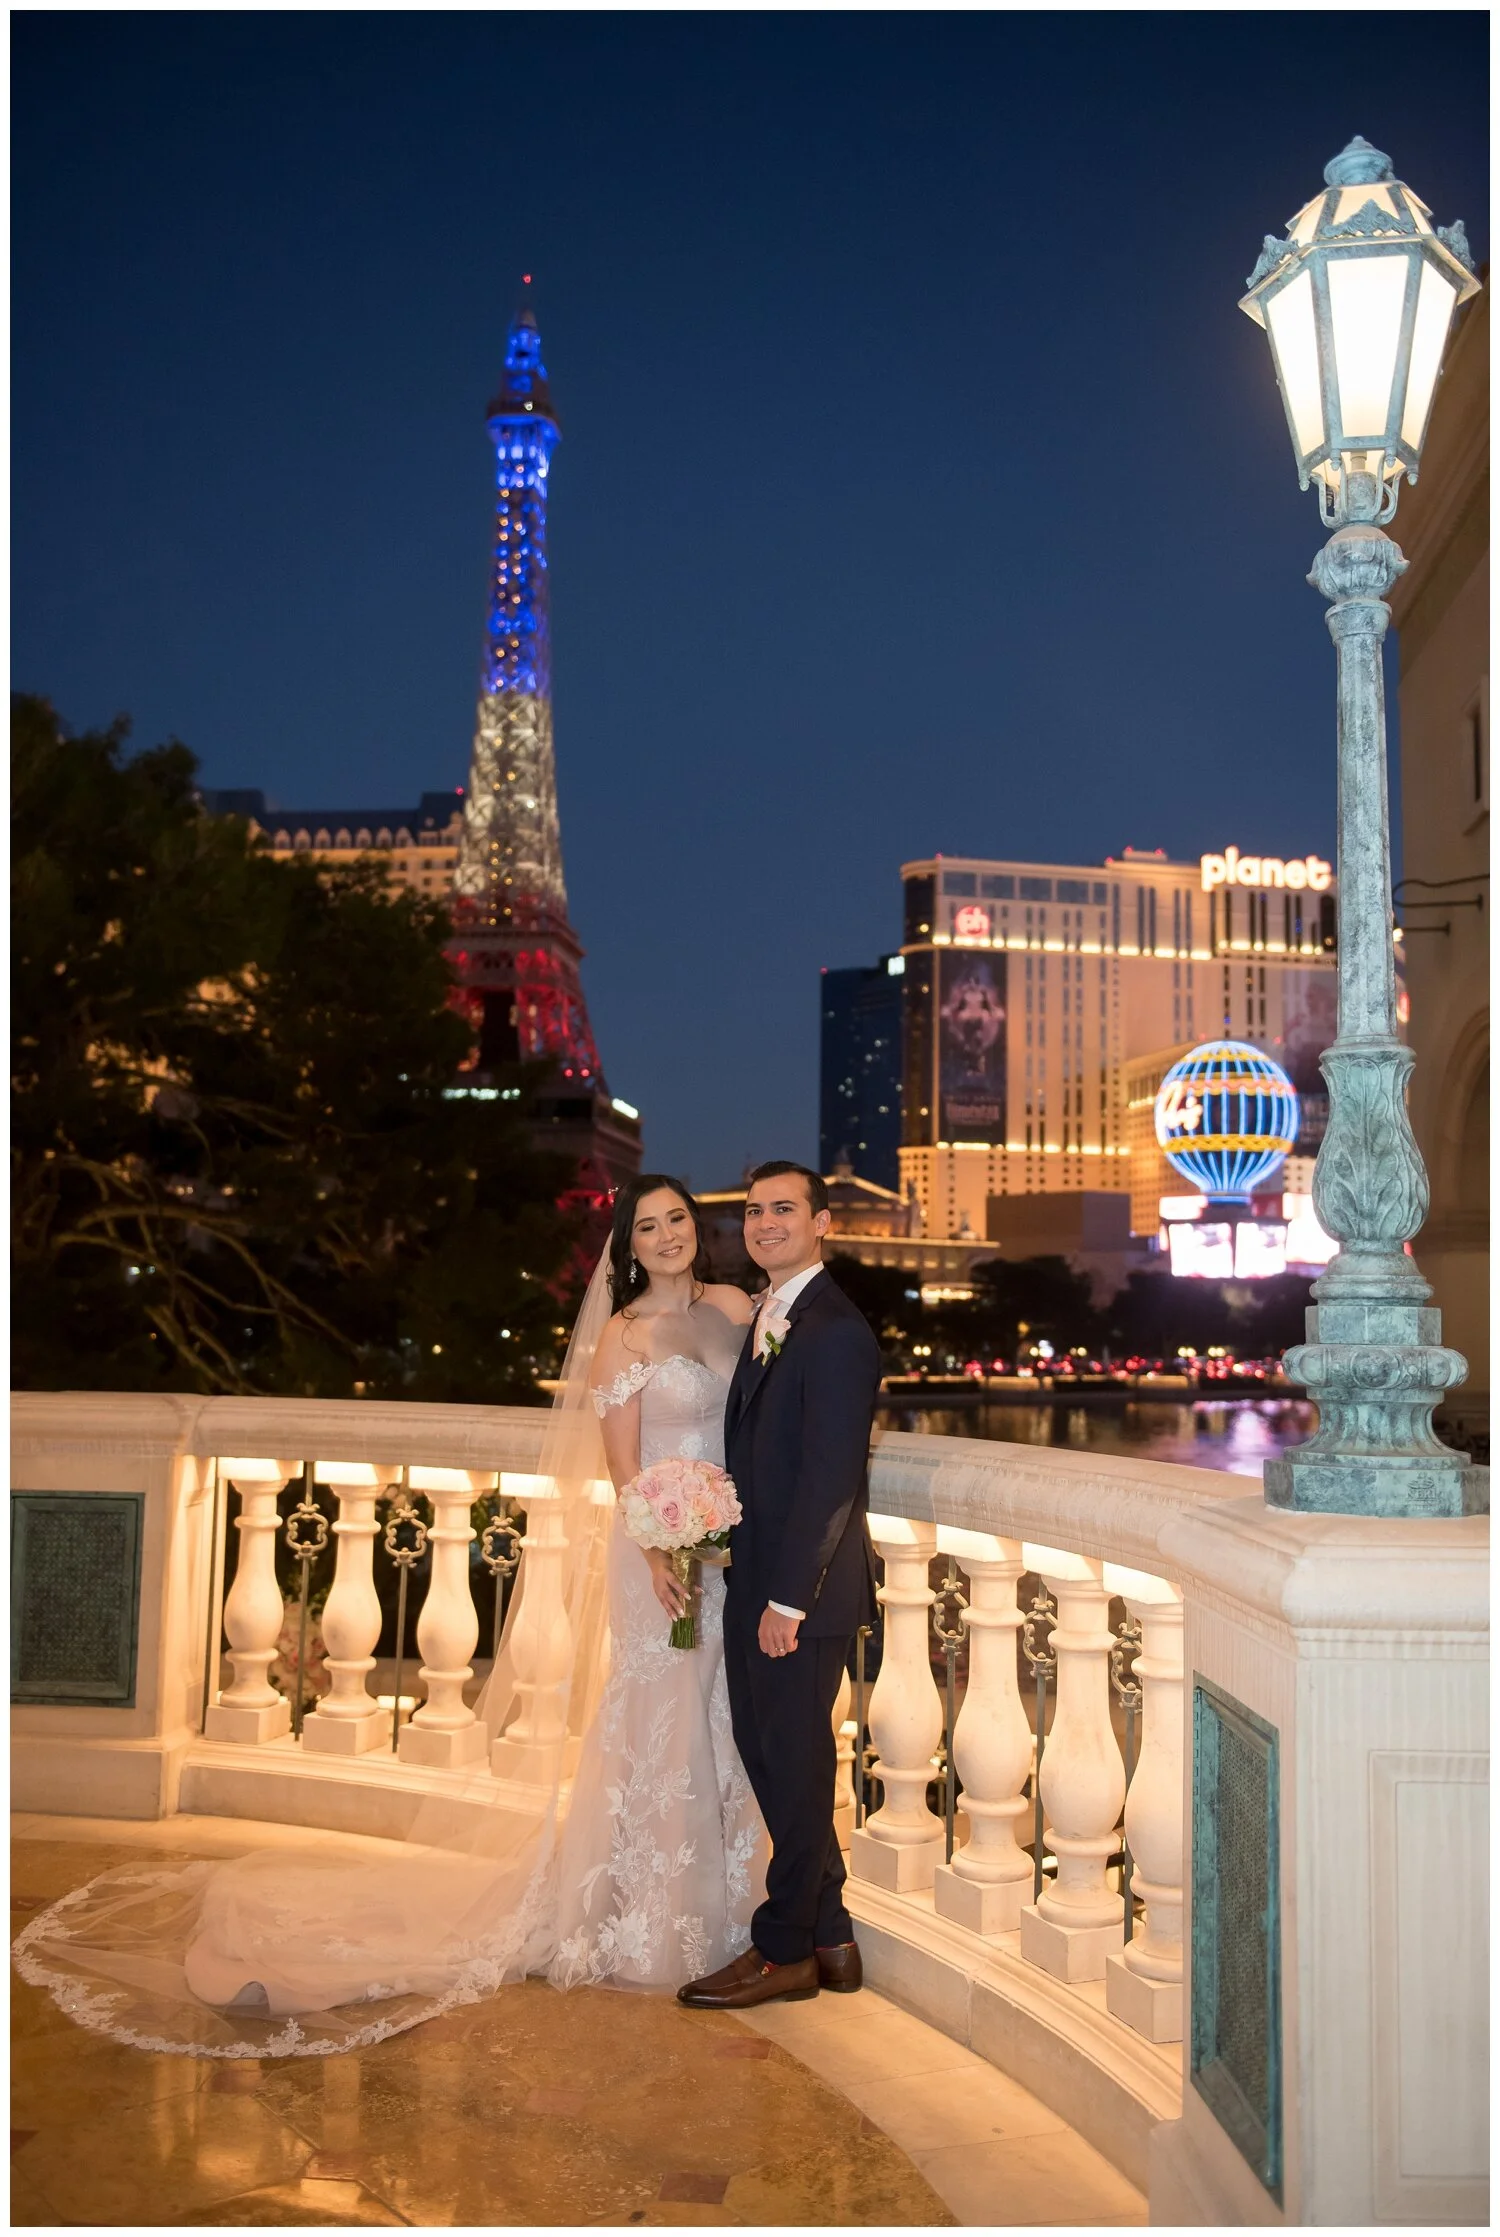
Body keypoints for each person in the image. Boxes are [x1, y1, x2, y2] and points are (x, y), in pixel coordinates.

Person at [13, 1176, 769, 2054]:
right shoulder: (622, 1334)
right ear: (626, 1244)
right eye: (649, 1225)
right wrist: (657, 1549)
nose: (669, 1234)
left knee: (720, 1716)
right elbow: (623, 1464)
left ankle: (734, 1895)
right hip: (659, 1559)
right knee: (661, 1719)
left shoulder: (734, 1306)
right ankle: (653, 1914)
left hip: (728, 1550)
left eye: (678, 1218)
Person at [678, 1161, 882, 2012]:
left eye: (783, 1209)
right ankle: (830, 1934)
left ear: (822, 1221)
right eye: (755, 1210)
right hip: (755, 1578)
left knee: (790, 1765)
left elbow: (832, 1477)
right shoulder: (770, 1313)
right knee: (776, 1760)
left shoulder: (835, 1329)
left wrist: (789, 1602)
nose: (764, 1222)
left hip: (802, 1595)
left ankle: (783, 1948)